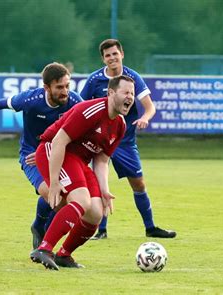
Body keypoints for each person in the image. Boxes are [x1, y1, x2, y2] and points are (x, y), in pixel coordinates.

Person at [0, 62, 82, 250]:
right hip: (30, 155)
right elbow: (2, 103)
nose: (65, 91)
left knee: (62, 200)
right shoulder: (31, 100)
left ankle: (42, 230)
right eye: (59, 87)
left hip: (58, 155)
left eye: (67, 86)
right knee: (57, 198)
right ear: (46, 87)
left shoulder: (75, 102)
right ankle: (39, 227)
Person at [29, 75, 133, 270]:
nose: (130, 97)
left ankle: (64, 255)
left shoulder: (120, 125)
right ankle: (44, 249)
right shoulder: (91, 110)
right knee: (81, 200)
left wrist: (104, 189)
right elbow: (59, 141)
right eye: (126, 92)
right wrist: (53, 182)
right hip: (54, 150)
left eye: (132, 93)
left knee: (96, 213)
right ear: (111, 93)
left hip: (77, 161)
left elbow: (101, 160)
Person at [79, 39, 176, 239]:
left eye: (115, 53)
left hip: (124, 140)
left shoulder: (133, 78)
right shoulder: (94, 80)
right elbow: (80, 106)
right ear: (103, 59)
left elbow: (150, 107)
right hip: (97, 140)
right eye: (108, 55)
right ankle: (101, 230)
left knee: (138, 183)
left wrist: (144, 118)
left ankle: (150, 228)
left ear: (122, 54)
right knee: (98, 182)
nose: (112, 58)